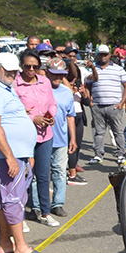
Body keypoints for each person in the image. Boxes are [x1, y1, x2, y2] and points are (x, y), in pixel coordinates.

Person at [0, 53, 47, 253]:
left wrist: (27, 152)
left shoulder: (5, 88)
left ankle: (6, 243)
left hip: (17, 153)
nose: (13, 74)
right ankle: (21, 247)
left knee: (5, 199)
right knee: (13, 200)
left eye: (15, 71)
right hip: (6, 154)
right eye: (8, 71)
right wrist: (9, 156)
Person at [13, 49, 59, 227]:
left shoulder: (45, 81)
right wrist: (33, 119)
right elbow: (14, 111)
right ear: (21, 66)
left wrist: (50, 116)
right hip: (24, 136)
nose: (31, 69)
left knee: (42, 175)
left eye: (35, 66)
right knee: (24, 176)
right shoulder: (15, 85)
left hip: (45, 135)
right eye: (27, 66)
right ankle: (20, 215)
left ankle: (45, 213)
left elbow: (52, 103)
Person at [86, 44, 126, 165]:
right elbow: (88, 86)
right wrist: (90, 101)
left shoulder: (118, 69)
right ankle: (98, 155)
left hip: (114, 106)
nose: (103, 56)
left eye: (105, 54)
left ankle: (121, 154)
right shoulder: (93, 68)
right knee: (99, 132)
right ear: (98, 55)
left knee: (118, 132)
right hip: (98, 106)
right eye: (101, 54)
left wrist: (122, 102)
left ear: (110, 55)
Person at [43, 59, 77, 218]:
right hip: (41, 139)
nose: (57, 77)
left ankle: (57, 203)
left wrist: (73, 138)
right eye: (54, 74)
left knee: (59, 172)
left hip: (61, 140)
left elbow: (70, 116)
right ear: (47, 73)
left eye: (61, 75)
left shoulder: (66, 92)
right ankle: (38, 205)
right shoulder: (41, 89)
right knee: (40, 174)